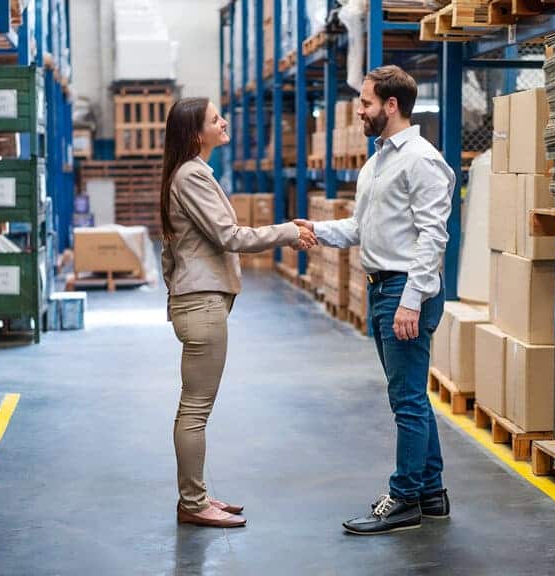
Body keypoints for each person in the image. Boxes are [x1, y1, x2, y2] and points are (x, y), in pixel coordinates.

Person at [295, 65, 455, 535]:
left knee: (405, 400)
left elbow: (433, 237)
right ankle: (431, 492)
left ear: (391, 105)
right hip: (382, 287)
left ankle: (404, 497)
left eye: (364, 103)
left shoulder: (421, 160)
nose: (359, 111)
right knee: (411, 397)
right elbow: (361, 230)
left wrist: (411, 300)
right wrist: (314, 230)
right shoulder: (379, 160)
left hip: (406, 291)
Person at [161, 97, 317, 528]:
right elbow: (229, 236)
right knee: (195, 410)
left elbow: (170, 249)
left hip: (198, 301)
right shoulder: (191, 176)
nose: (223, 121)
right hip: (201, 304)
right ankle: (193, 504)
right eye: (215, 119)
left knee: (195, 407)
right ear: (196, 134)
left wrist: (176, 289)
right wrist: (287, 232)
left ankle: (197, 496)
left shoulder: (189, 174)